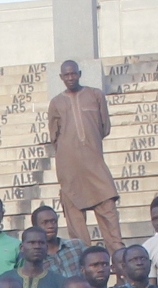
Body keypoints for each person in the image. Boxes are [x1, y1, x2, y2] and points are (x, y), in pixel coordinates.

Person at [46, 62, 120, 252]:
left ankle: (119, 261)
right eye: (66, 75)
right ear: (61, 78)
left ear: (79, 74)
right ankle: (84, 264)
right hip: (70, 168)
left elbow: (104, 127)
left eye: (73, 74)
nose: (70, 78)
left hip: (95, 164)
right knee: (75, 222)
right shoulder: (56, 103)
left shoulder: (95, 95)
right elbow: (54, 135)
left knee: (108, 212)